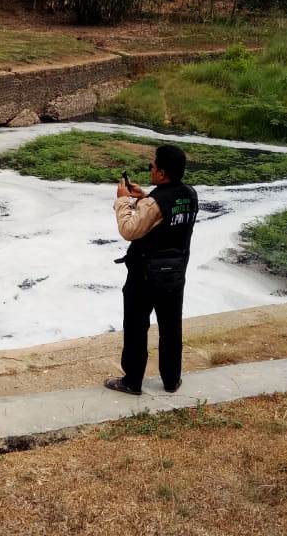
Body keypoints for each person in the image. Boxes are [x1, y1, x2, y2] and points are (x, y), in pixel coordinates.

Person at [105, 144, 199, 396]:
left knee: (136, 327)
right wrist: (144, 197)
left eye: (152, 166)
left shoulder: (154, 203)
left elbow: (129, 230)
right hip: (175, 274)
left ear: (162, 173)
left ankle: (132, 381)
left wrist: (123, 200)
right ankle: (171, 379)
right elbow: (165, 214)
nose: (151, 169)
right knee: (171, 327)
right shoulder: (189, 194)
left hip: (145, 276)